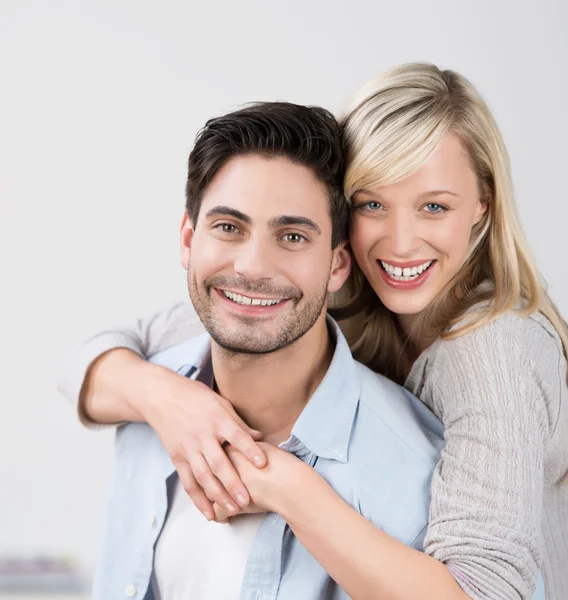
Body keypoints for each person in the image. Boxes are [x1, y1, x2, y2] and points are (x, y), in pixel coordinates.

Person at [58, 64, 568, 600]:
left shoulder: (493, 351)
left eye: (434, 206)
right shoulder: (326, 288)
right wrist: (168, 400)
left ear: (483, 206)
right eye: (372, 205)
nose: (401, 243)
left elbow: (487, 593)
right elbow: (96, 358)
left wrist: (279, 480)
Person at [89, 101, 447, 600]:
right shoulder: (146, 406)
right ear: (189, 240)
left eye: (293, 236)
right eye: (229, 227)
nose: (253, 266)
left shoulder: (415, 470)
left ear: (338, 265)